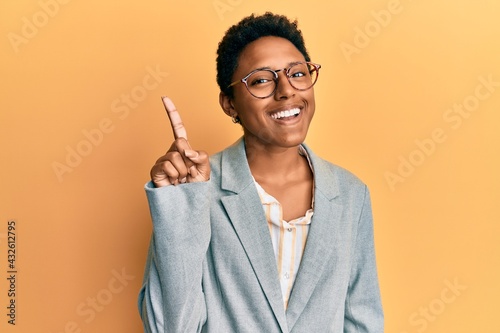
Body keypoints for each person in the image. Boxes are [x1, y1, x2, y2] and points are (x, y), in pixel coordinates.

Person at [138, 12, 383, 333]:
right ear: (229, 104)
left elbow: (362, 320)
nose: (286, 90)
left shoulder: (351, 193)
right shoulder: (198, 190)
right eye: (261, 80)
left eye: (297, 73)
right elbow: (171, 327)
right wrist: (180, 207)